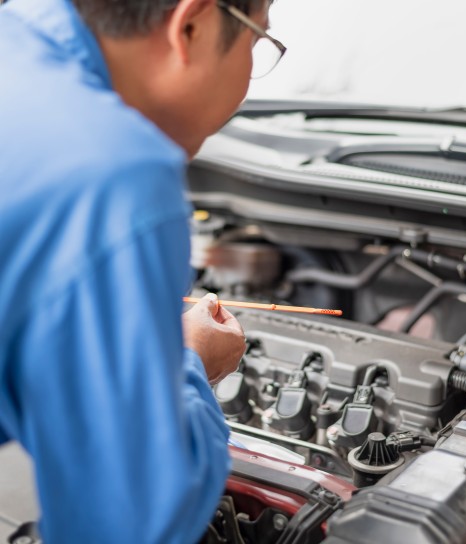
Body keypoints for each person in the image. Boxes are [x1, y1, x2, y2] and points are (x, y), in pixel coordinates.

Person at [0, 0, 284, 542]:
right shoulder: (113, 174)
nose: (252, 67)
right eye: (259, 40)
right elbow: (129, 523)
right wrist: (191, 361)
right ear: (193, 24)